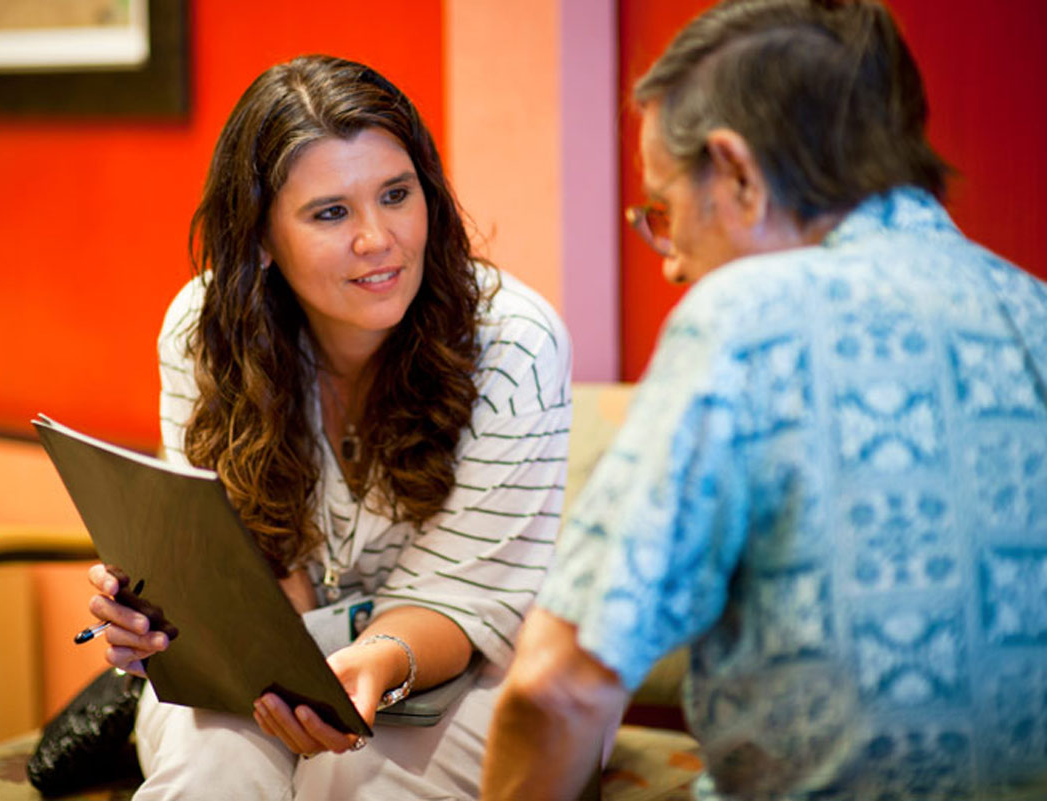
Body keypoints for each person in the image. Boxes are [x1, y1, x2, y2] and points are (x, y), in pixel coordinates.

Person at [482, 1, 1047, 799]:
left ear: (738, 172)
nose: (672, 263)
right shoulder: (1033, 311)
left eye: (665, 212)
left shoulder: (747, 316)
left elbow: (558, 686)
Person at [86, 54, 572, 800]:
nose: (379, 239)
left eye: (396, 194)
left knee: (346, 784)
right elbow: (242, 561)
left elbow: (471, 601)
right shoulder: (204, 330)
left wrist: (371, 661)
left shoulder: (515, 344)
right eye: (331, 212)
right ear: (259, 239)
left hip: (478, 663)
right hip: (278, 656)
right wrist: (169, 614)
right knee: (209, 778)